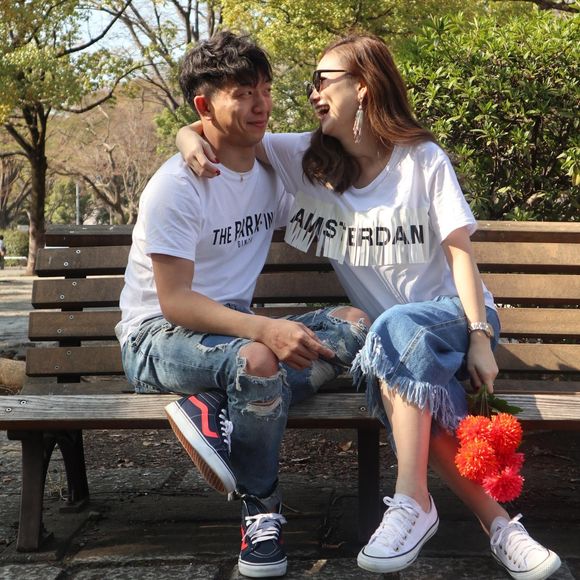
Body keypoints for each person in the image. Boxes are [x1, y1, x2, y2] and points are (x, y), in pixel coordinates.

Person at [176, 33, 561, 580]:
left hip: (454, 319)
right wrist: (185, 135)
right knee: (401, 369)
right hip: (392, 346)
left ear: (363, 86)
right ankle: (504, 530)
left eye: (322, 80)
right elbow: (224, 126)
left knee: (394, 330)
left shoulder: (421, 159)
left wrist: (479, 336)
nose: (313, 93)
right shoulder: (307, 161)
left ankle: (412, 501)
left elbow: (460, 254)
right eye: (310, 84)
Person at [116, 31, 368, 579]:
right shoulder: (176, 187)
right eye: (243, 93)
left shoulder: (271, 172)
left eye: (266, 90)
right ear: (204, 106)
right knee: (258, 360)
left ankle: (215, 406)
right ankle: (261, 513)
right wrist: (263, 330)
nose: (261, 105)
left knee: (353, 326)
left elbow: (347, 152)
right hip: (154, 339)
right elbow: (174, 302)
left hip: (229, 336)